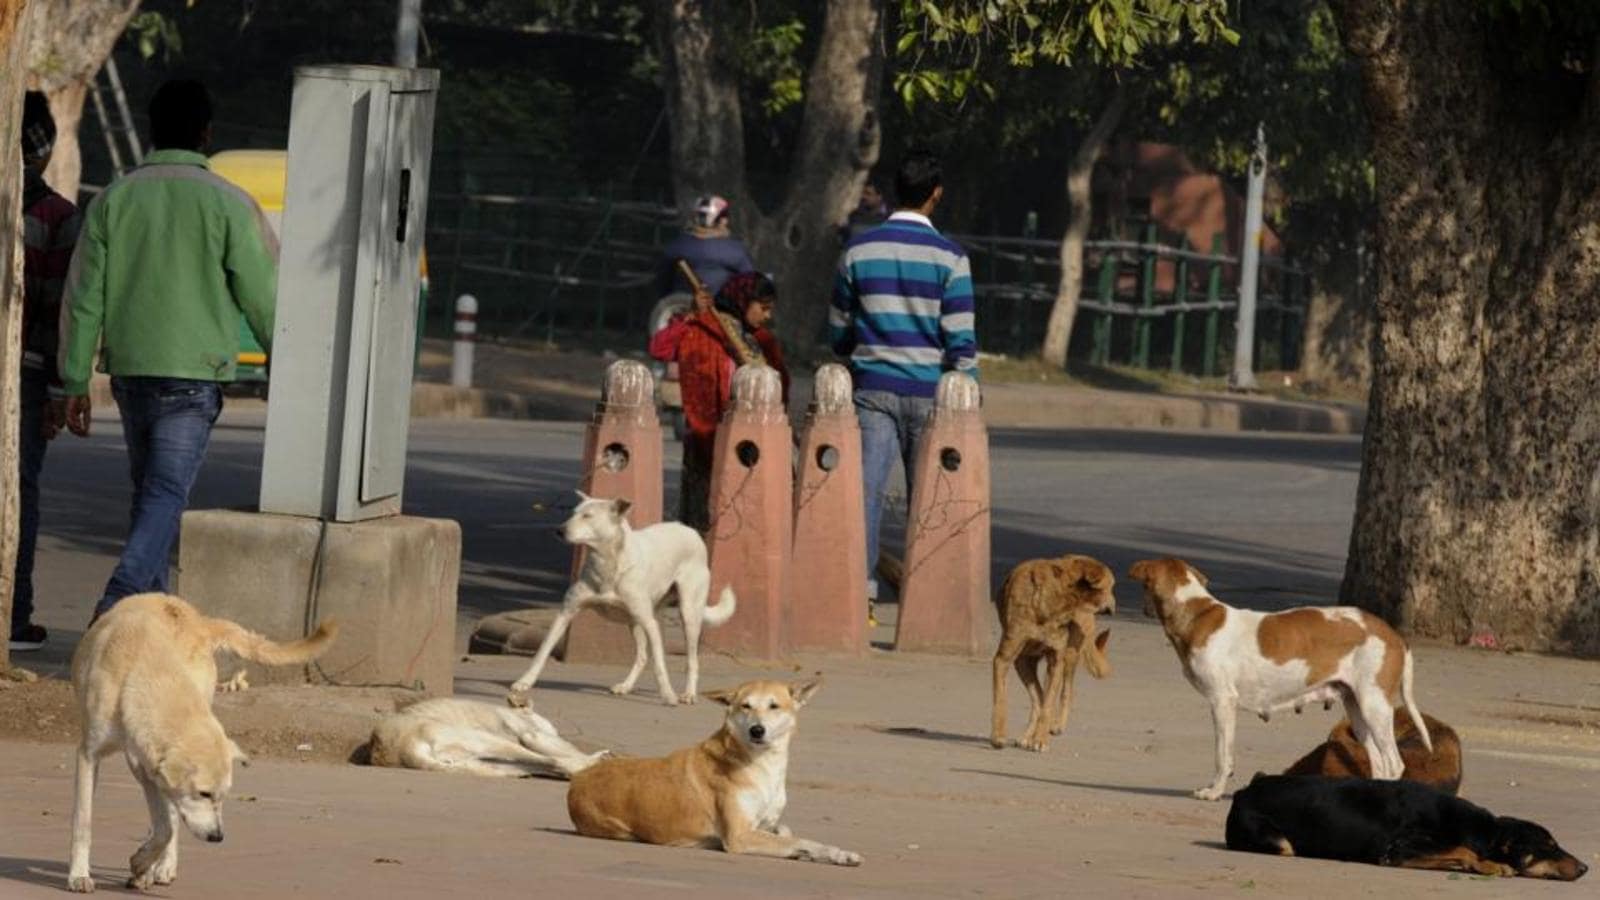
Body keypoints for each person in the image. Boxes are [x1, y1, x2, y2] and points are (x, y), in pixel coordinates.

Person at [59, 79, 278, 622]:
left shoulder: (115, 197)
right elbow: (262, 296)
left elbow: (84, 295)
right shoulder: (229, 202)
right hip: (195, 375)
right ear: (206, 132)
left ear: (152, 129)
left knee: (149, 495)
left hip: (132, 369)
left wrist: (74, 378)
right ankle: (118, 602)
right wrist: (287, 364)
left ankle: (148, 623)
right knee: (164, 495)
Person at [828, 149, 977, 611]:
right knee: (928, 500)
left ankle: (860, 596)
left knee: (865, 495)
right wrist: (970, 391)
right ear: (936, 195)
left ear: (895, 193)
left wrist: (856, 352)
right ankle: (925, 600)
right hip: (930, 394)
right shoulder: (952, 259)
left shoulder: (858, 251)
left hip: (872, 390)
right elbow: (960, 339)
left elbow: (839, 328)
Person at [10, 93, 82, 651]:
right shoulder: (58, 216)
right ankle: (14, 616)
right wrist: (60, 388)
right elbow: (59, 310)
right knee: (19, 492)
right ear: (45, 147)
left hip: (29, 376)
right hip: (29, 378)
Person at [671, 271, 789, 532]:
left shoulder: (762, 341)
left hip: (754, 442)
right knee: (705, 522)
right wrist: (691, 315)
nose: (767, 316)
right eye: (764, 308)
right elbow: (661, 347)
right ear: (742, 301)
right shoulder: (706, 328)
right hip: (708, 439)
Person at [655, 194, 756, 299]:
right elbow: (749, 285)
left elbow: (662, 283)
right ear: (723, 221)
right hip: (721, 310)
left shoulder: (677, 247)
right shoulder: (735, 250)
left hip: (680, 307)